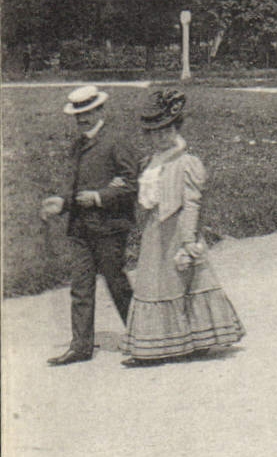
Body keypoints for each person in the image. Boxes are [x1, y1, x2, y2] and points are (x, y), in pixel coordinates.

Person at [121, 90, 244, 364]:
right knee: (153, 284)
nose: (160, 137)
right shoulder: (151, 162)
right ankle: (156, 345)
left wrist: (189, 240)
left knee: (186, 281)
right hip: (155, 231)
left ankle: (197, 339)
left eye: (166, 131)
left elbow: (192, 203)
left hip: (177, 230)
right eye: (154, 133)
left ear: (176, 129)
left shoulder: (186, 162)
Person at [38, 86, 139, 365]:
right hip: (80, 229)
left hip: (109, 227)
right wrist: (62, 202)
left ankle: (142, 337)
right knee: (80, 287)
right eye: (78, 115)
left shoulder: (116, 141)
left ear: (100, 110)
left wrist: (99, 197)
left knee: (116, 283)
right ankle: (80, 347)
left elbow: (132, 184)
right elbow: (76, 187)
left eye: (87, 113)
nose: (82, 119)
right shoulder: (77, 146)